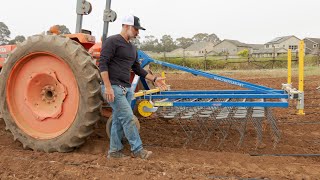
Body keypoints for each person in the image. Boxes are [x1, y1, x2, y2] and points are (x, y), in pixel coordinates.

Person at [99, 14, 167, 159]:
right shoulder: (112, 41)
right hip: (113, 88)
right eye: (136, 29)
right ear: (126, 26)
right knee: (129, 118)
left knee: (118, 119)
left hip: (126, 89)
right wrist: (108, 87)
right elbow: (102, 64)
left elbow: (137, 69)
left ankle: (114, 151)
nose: (137, 32)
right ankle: (138, 150)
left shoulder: (132, 48)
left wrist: (154, 79)